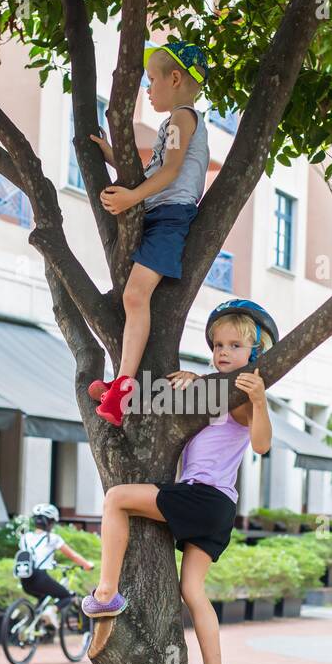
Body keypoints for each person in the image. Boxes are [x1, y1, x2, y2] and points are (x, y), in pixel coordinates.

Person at [81, 300, 278, 664]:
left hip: (203, 496)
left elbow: (261, 444)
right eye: (218, 345)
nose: (223, 353)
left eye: (235, 347)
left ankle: (105, 593)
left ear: (255, 353)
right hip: (219, 508)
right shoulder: (215, 387)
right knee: (192, 589)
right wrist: (193, 378)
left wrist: (259, 402)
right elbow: (197, 400)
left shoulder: (242, 396)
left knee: (117, 499)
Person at [87, 38, 210, 427]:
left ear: (175, 78)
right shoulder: (174, 123)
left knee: (135, 295)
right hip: (160, 213)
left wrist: (130, 199)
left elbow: (171, 171)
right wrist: (112, 156)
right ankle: (120, 382)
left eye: (151, 80)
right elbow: (158, 167)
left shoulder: (181, 118)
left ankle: (123, 388)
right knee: (133, 297)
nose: (147, 89)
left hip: (170, 217)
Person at [16, 503, 94, 627]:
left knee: (44, 597)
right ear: (49, 522)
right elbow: (73, 556)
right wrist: (87, 565)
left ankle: (33, 625)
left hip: (25, 579)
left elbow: (34, 554)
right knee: (66, 596)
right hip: (40, 577)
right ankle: (51, 612)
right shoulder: (53, 538)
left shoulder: (25, 537)